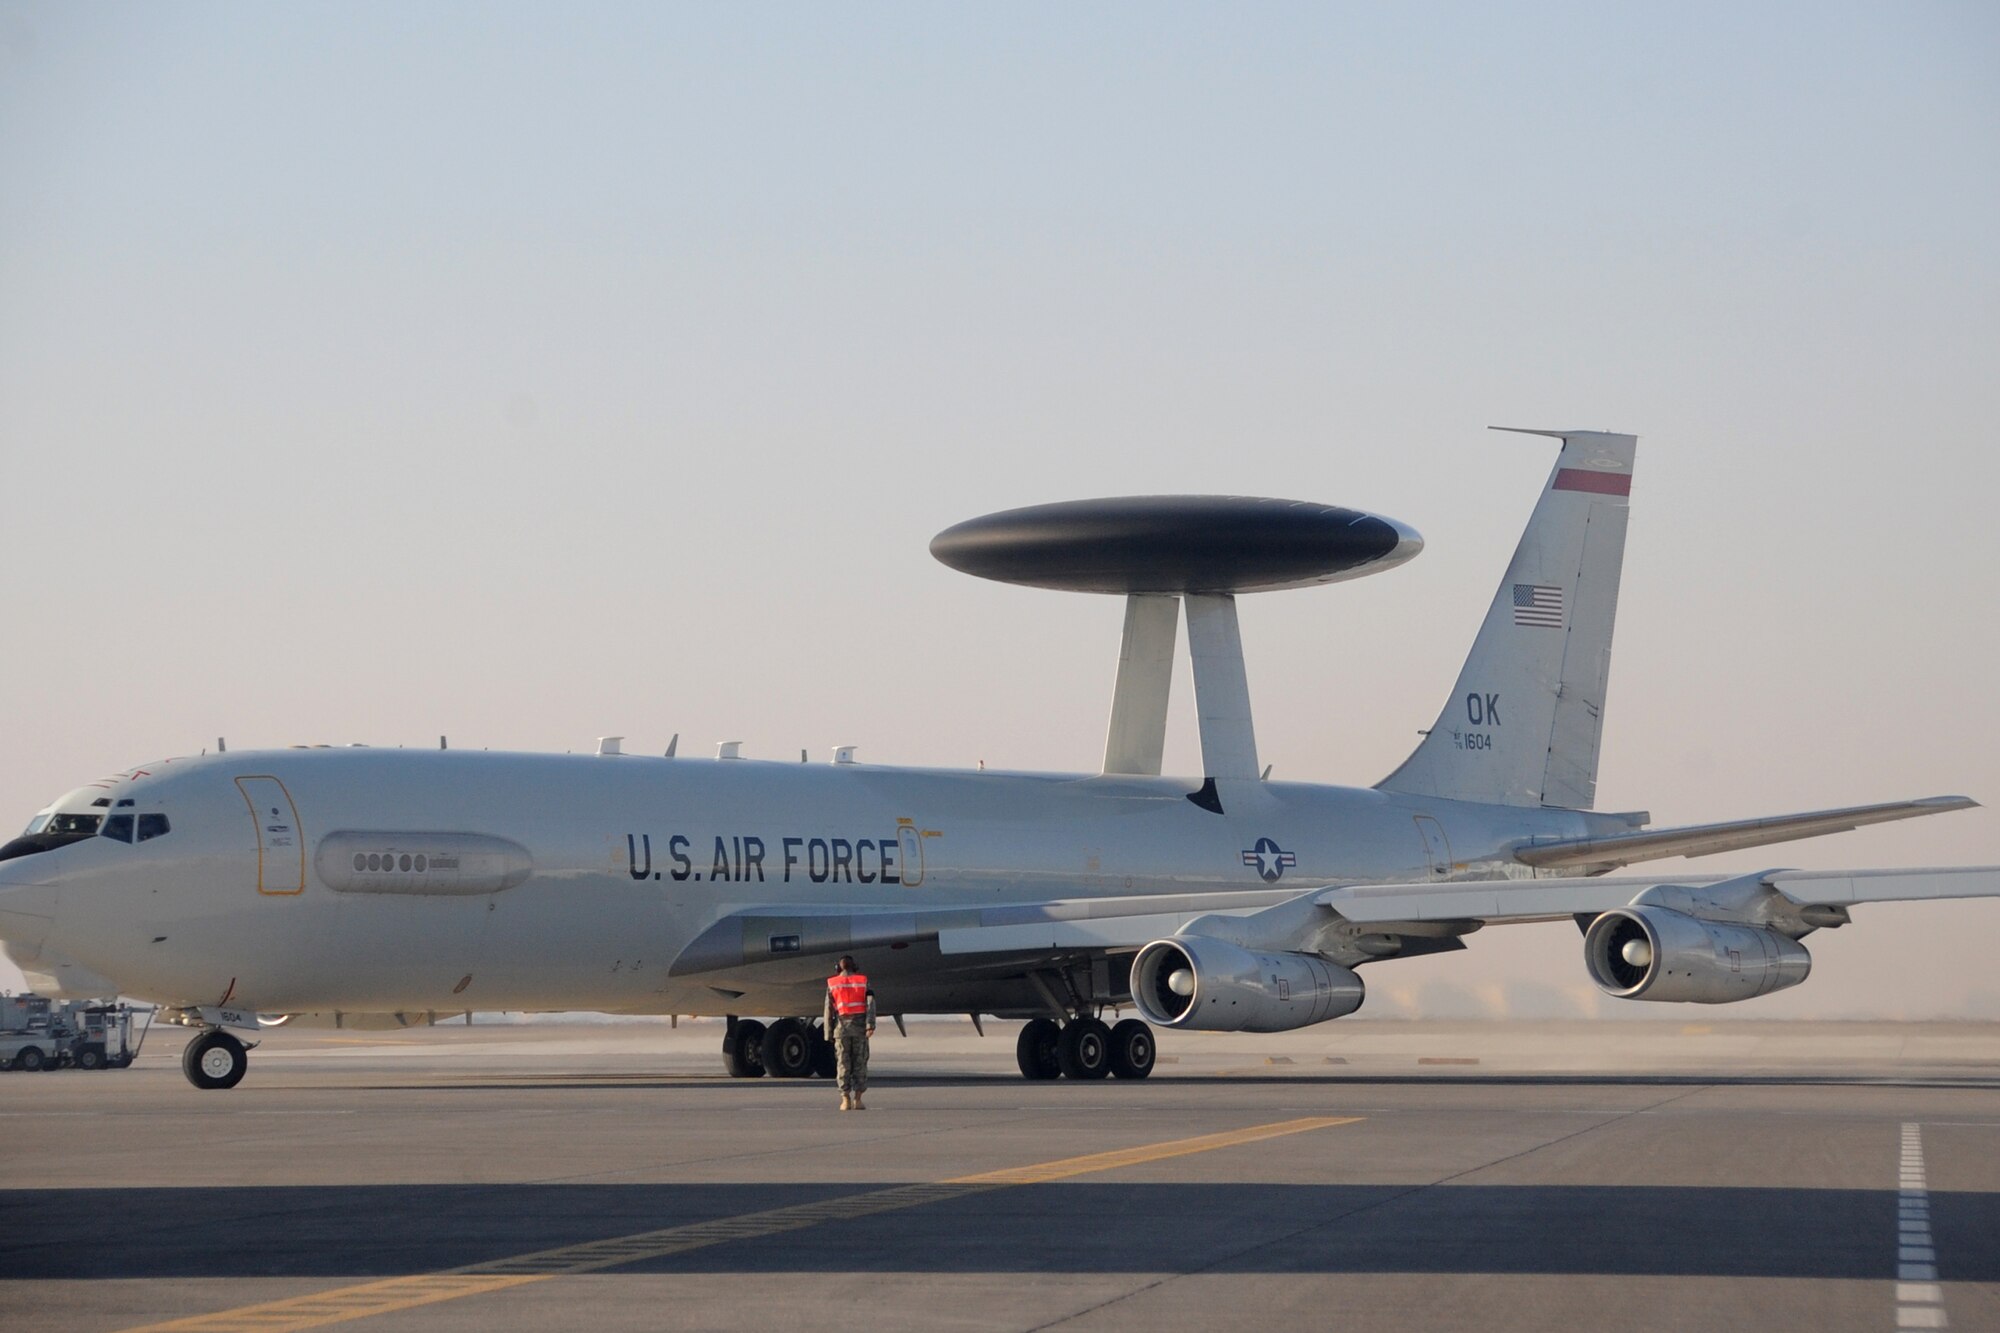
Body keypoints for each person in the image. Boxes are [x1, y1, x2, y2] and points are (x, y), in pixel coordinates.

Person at [822, 955, 875, 1110]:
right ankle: (858, 1099)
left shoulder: (832, 983)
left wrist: (828, 1031)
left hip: (841, 1029)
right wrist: (870, 1025)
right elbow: (870, 1004)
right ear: (855, 966)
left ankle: (845, 1099)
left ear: (838, 968)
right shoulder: (863, 981)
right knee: (860, 1063)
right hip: (860, 1029)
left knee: (843, 1064)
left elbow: (828, 1009)